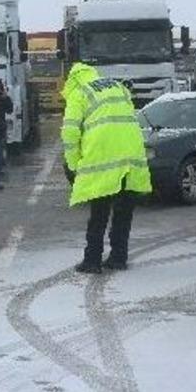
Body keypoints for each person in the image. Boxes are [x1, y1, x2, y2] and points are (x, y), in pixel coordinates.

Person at [61, 62, 152, 273]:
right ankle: (119, 257)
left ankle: (92, 260)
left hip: (102, 157)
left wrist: (75, 165)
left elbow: (70, 133)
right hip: (131, 155)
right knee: (123, 212)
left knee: (99, 213)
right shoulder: (118, 86)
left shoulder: (79, 92)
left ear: (72, 79)